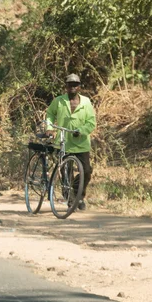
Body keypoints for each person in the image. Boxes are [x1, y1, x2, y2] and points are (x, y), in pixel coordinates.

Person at [46, 73, 96, 210]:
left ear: (79, 87)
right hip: (64, 142)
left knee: (86, 171)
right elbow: (50, 114)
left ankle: (79, 195)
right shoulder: (59, 101)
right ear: (66, 86)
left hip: (81, 143)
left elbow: (91, 122)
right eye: (70, 84)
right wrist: (49, 128)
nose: (73, 87)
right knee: (66, 172)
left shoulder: (86, 102)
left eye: (75, 84)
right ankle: (70, 199)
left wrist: (81, 130)